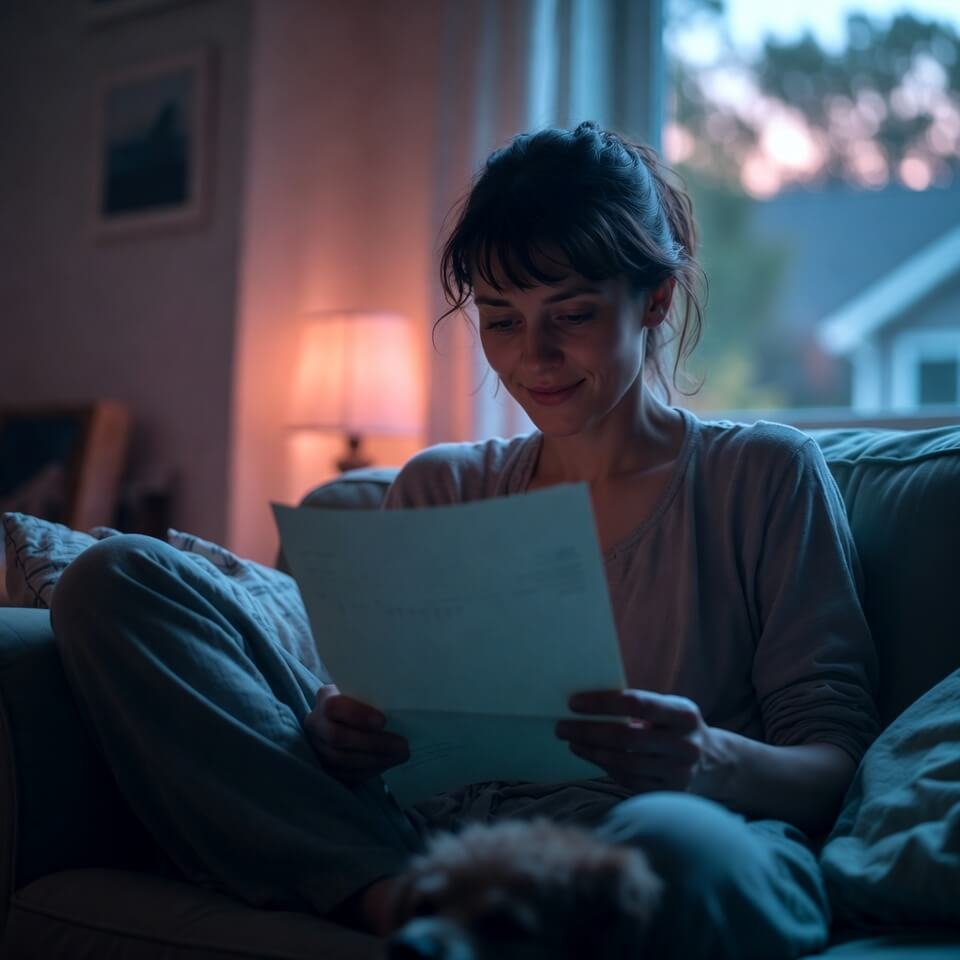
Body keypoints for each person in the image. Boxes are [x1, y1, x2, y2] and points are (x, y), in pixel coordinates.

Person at [51, 121, 879, 960]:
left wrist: (709, 761)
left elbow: (835, 764)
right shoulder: (442, 485)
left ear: (655, 300)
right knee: (115, 578)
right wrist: (342, 733)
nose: (535, 357)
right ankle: (390, 896)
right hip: (426, 836)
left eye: (573, 314)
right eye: (501, 319)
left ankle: (474, 908)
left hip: (663, 831)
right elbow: (382, 732)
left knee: (672, 847)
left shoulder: (766, 475)